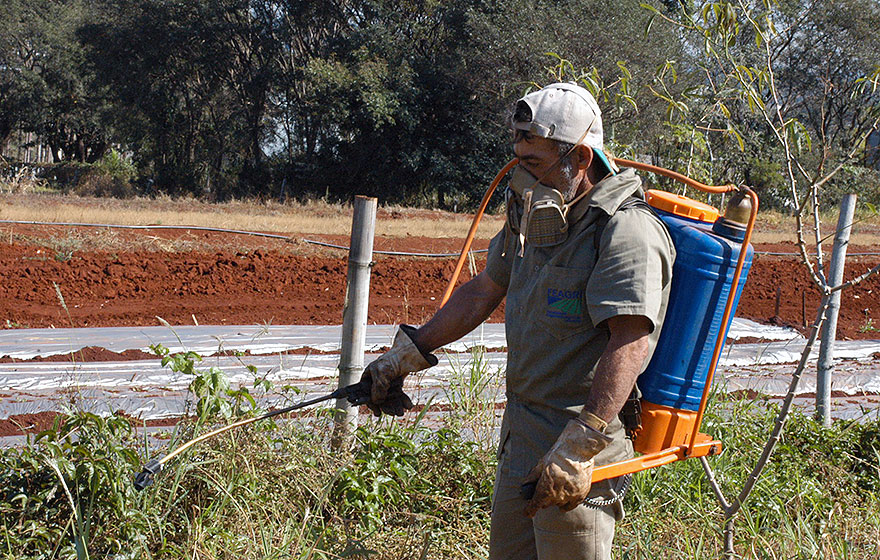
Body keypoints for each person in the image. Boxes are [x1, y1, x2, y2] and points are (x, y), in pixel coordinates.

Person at [360, 82, 675, 560]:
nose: (520, 178)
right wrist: (405, 355)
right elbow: (485, 290)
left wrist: (580, 444)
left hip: (578, 451)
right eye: (518, 159)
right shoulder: (534, 218)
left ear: (582, 160)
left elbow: (630, 341)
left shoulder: (625, 231)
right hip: (522, 440)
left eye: (533, 164)